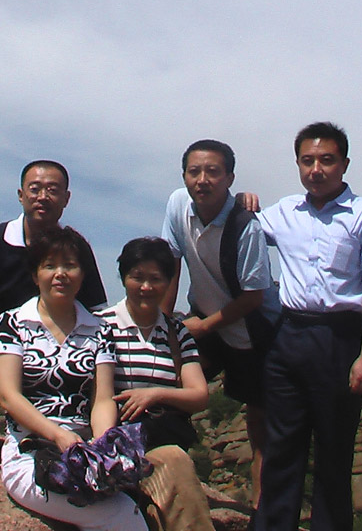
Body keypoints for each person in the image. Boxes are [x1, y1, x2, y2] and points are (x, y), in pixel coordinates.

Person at [254, 122, 362, 531]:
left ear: (344, 164)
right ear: (298, 164)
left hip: (339, 339)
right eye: (307, 161)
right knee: (281, 450)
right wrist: (243, 202)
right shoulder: (283, 213)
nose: (316, 169)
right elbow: (240, 231)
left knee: (333, 454)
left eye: (326, 160)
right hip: (288, 337)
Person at [0, 226, 148, 531]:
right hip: (31, 452)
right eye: (49, 265)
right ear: (35, 275)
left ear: (83, 274)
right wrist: (58, 435)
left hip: (83, 450)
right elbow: (8, 396)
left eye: (70, 265)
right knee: (122, 516)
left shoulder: (100, 330)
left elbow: (102, 399)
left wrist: (101, 446)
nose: (60, 274)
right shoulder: (13, 323)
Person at [160, 139, 280, 512]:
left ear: (229, 178)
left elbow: (253, 297)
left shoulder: (245, 226)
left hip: (253, 332)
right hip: (205, 320)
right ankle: (164, 479)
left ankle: (261, 511)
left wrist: (204, 327)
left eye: (213, 172)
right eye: (194, 171)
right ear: (184, 175)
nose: (203, 180)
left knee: (260, 424)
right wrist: (161, 329)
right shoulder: (178, 205)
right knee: (169, 387)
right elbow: (170, 266)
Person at [98, 237, 215, 531]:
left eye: (156, 279)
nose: (146, 287)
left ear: (169, 282)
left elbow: (199, 395)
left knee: (173, 461)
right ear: (123, 277)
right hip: (112, 440)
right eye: (137, 277)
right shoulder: (101, 326)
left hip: (158, 442)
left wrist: (154, 395)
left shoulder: (177, 333)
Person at [0, 159, 107, 312]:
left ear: (66, 199)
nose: (42, 197)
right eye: (35, 189)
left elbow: (96, 308)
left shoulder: (76, 247)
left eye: (52, 190)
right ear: (21, 195)